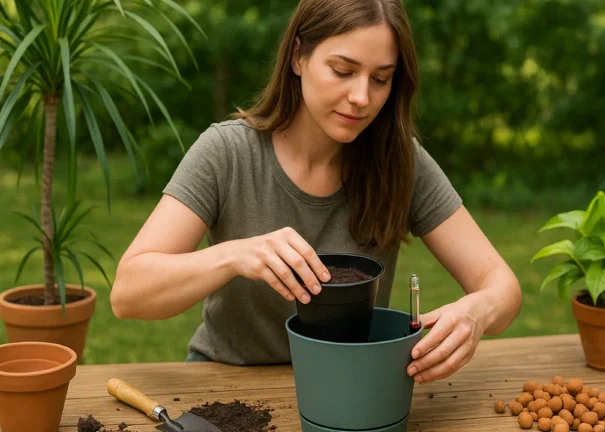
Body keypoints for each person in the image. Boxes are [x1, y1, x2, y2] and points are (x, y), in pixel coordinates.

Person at [110, 0, 521, 385]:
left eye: (380, 78)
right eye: (343, 71)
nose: (361, 97)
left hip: (348, 386)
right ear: (298, 57)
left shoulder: (400, 161)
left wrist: (477, 312)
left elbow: (501, 285)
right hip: (223, 383)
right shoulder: (227, 153)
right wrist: (234, 255)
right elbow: (129, 294)